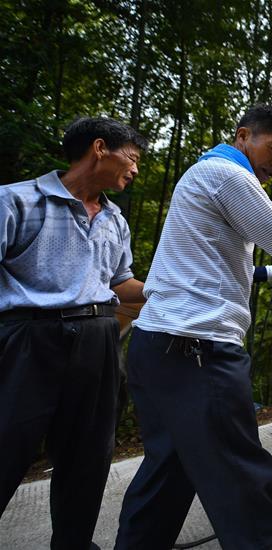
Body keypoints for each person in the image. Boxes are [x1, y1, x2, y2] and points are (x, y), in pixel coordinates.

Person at [115, 105, 272, 549]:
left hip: (156, 346)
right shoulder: (229, 176)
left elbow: (217, 266)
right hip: (199, 350)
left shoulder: (200, 176)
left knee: (168, 472)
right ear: (243, 135)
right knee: (239, 474)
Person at [0, 117, 147, 549]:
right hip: (30, 339)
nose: (135, 170)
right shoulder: (16, 201)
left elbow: (121, 283)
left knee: (89, 456)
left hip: (99, 339)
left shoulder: (115, 219)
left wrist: (171, 288)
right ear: (100, 148)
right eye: (132, 159)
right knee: (7, 445)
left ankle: (73, 543)